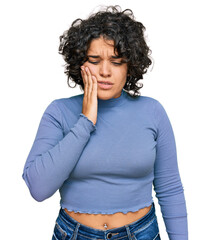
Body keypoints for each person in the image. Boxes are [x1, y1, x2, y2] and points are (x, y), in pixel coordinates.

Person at [22, 5, 188, 240]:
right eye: (95, 60)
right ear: (80, 63)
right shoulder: (59, 112)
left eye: (117, 61)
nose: (105, 71)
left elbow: (170, 190)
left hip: (140, 233)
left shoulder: (153, 112)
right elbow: (38, 188)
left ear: (130, 65)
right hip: (74, 234)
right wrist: (85, 121)